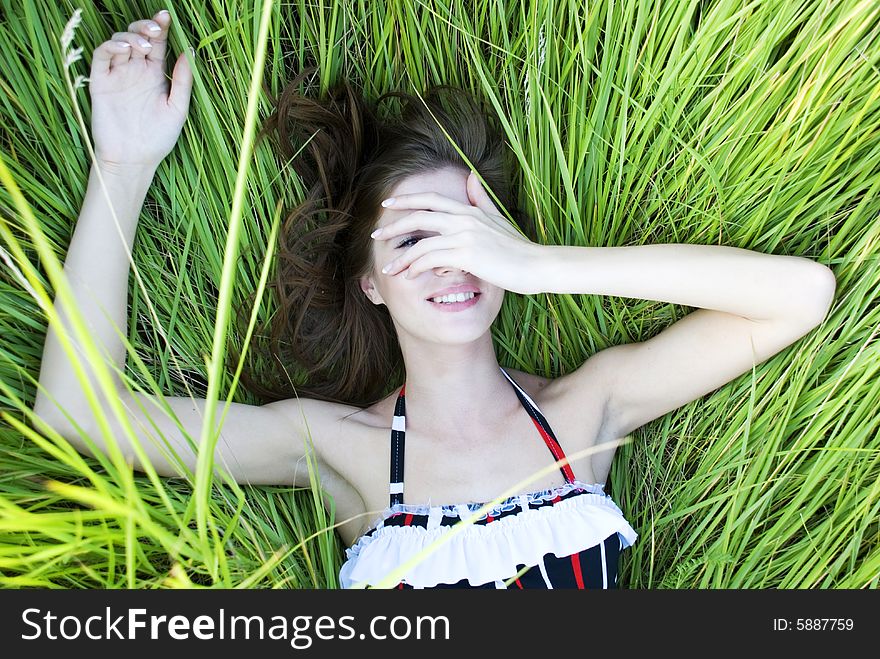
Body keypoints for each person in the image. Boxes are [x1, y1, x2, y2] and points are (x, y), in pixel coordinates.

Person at [33, 9, 836, 589]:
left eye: (468, 230)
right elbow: (77, 415)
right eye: (415, 239)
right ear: (371, 282)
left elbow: (801, 295)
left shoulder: (588, 407)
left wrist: (539, 264)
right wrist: (125, 161)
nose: (453, 261)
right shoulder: (335, 445)